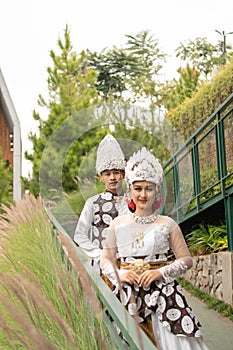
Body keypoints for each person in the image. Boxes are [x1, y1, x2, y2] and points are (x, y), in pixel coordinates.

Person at [100, 147, 209, 349]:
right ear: (130, 189)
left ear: (157, 189)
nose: (143, 194)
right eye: (138, 188)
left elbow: (186, 260)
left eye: (148, 188)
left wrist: (160, 271)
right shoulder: (117, 224)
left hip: (165, 294)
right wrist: (120, 275)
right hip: (127, 296)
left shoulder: (167, 224)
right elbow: (105, 259)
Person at [73, 134, 128, 271]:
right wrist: (100, 255)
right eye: (107, 174)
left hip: (130, 265)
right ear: (101, 177)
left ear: (123, 174)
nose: (113, 178)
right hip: (103, 266)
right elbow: (79, 235)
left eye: (116, 172)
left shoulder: (133, 201)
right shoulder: (93, 203)